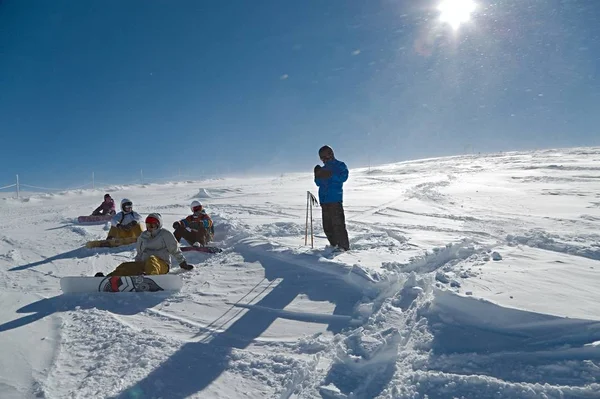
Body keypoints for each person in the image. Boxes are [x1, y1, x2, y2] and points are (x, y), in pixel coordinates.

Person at [95, 213, 193, 277]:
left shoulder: (165, 234)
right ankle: (109, 278)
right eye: (147, 225)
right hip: (145, 265)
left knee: (152, 260)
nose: (149, 227)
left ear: (158, 224)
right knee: (125, 266)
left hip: (162, 265)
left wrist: (182, 263)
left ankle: (151, 278)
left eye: (152, 225)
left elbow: (174, 250)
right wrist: (136, 266)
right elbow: (139, 253)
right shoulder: (143, 236)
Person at [314, 145, 350, 251]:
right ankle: (333, 245)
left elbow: (344, 177)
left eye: (325, 157)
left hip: (335, 199)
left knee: (338, 225)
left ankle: (343, 247)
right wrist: (317, 175)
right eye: (321, 158)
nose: (323, 160)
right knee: (327, 226)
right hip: (324, 200)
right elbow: (318, 183)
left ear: (330, 154)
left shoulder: (340, 165)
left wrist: (331, 175)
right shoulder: (323, 168)